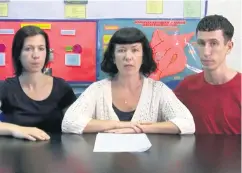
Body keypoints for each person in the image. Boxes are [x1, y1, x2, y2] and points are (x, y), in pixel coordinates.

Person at [62, 27, 195, 135]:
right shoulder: (97, 89)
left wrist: (141, 128)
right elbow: (69, 122)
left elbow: (187, 124)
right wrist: (119, 124)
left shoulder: (158, 90)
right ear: (113, 58)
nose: (128, 57)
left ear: (143, 57)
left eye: (135, 50)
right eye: (121, 50)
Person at [0, 26, 76, 141]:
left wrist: (112, 124)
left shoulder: (62, 88)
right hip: (18, 155)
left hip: (55, 156)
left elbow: (77, 123)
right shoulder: (6, 87)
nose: (36, 55)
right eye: (28, 49)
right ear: (18, 54)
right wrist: (17, 129)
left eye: (41, 48)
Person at [174, 15, 241, 135]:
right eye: (201, 43)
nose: (206, 52)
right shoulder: (187, 86)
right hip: (194, 153)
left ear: (229, 47)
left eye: (214, 43)